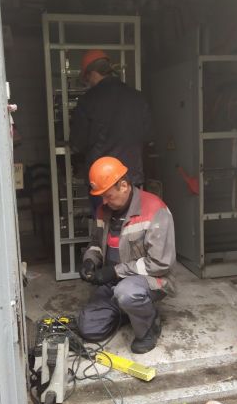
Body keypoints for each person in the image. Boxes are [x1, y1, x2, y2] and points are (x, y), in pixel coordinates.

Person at [77, 156, 179, 354]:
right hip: (113, 283)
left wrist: (115, 271)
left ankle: (149, 326)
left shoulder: (155, 210)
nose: (104, 202)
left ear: (123, 186)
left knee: (127, 293)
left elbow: (160, 263)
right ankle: (128, 310)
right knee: (89, 328)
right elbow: (96, 243)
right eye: (101, 197)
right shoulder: (103, 211)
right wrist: (90, 260)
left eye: (108, 196)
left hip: (148, 280)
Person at [69, 50, 152, 212]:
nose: (88, 83)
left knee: (105, 223)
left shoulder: (88, 101)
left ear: (92, 73)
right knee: (134, 221)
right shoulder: (137, 97)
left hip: (102, 180)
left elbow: (78, 143)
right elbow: (148, 135)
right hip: (131, 177)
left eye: (87, 79)